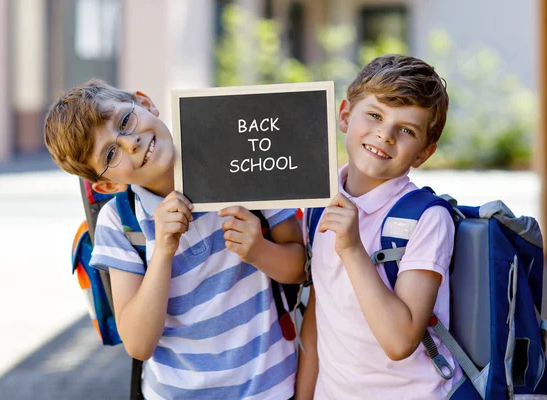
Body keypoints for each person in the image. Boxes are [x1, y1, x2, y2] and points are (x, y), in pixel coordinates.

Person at [44, 79, 305, 399]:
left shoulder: (242, 166)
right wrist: (163, 250)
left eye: (125, 121)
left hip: (268, 389)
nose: (130, 143)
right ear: (107, 186)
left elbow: (299, 267)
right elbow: (139, 345)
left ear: (146, 103)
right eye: (110, 154)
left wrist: (260, 251)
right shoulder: (120, 223)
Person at [295, 54, 463, 399]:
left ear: (423, 154)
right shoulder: (319, 204)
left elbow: (400, 341)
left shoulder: (427, 219)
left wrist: (353, 248)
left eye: (406, 130)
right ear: (345, 115)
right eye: (374, 115)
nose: (384, 135)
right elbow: (318, 313)